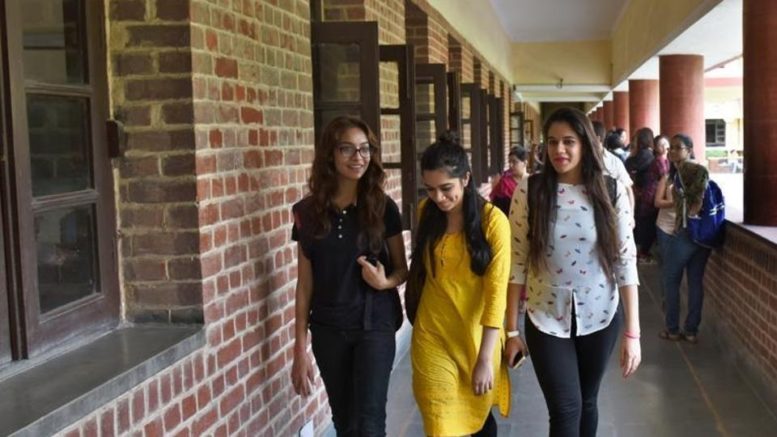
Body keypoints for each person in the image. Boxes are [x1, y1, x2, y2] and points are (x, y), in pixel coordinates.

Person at [505, 107, 641, 437]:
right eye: (552, 142)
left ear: (585, 144)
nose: (559, 150)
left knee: (588, 402)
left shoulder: (610, 190)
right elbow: (517, 261)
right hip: (545, 316)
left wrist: (633, 335)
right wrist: (510, 330)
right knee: (566, 408)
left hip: (600, 314)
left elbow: (625, 262)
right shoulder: (531, 190)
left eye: (568, 141)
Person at [291, 116, 408, 435]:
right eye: (347, 149)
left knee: (370, 423)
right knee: (345, 423)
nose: (358, 157)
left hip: (374, 325)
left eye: (365, 149)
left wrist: (385, 282)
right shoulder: (306, 213)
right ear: (330, 154)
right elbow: (305, 286)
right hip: (328, 329)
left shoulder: (383, 207)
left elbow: (402, 269)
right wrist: (299, 349)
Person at [409, 133, 511, 437]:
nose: (438, 198)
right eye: (430, 189)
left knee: (477, 417)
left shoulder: (493, 222)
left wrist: (485, 358)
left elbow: (496, 294)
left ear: (465, 179)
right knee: (438, 420)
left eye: (446, 188)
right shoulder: (426, 213)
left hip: (477, 336)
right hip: (432, 333)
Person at [657, 133, 711, 344]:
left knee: (670, 278)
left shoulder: (690, 169)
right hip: (702, 236)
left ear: (689, 150)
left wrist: (689, 218)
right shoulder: (682, 170)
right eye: (670, 147)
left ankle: (672, 328)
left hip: (689, 233)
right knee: (695, 281)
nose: (672, 151)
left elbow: (698, 196)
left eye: (678, 147)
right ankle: (691, 330)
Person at [626, 128, 657, 262]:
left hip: (633, 194)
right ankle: (644, 252)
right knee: (648, 225)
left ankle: (635, 251)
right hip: (649, 196)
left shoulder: (632, 159)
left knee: (635, 223)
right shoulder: (653, 157)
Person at [593, 121, 635, 211]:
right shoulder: (578, 160)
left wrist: (631, 215)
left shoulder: (614, 162)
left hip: (610, 212)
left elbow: (628, 189)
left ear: (597, 139)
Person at [490, 146, 529, 215]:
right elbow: (497, 208)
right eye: (509, 162)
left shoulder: (532, 181)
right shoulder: (504, 183)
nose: (511, 165)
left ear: (525, 163)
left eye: (514, 162)